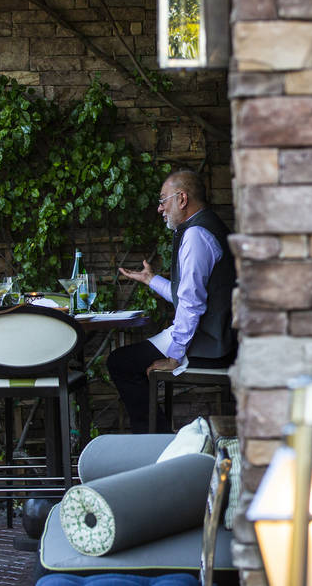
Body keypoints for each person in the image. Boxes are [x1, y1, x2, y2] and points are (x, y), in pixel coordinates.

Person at [112, 170, 236, 433]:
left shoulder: (196, 235)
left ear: (182, 198)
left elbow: (191, 304)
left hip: (213, 345)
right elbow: (191, 295)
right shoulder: (206, 226)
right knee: (125, 361)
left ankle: (155, 446)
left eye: (163, 200)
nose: (160, 209)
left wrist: (175, 355)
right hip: (219, 337)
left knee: (121, 363)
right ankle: (157, 439)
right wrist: (151, 279)